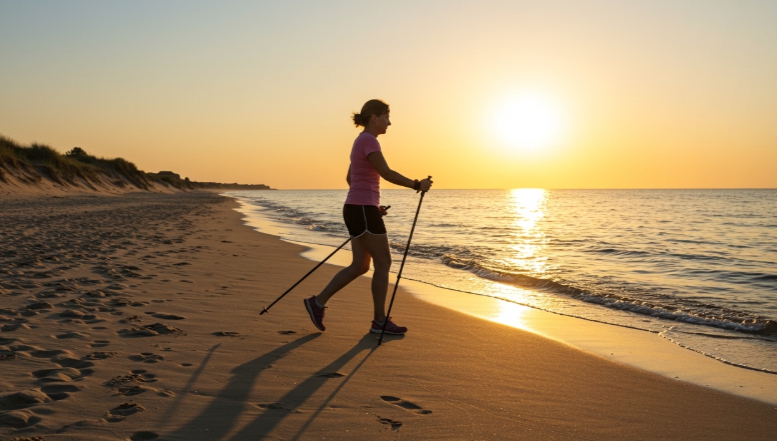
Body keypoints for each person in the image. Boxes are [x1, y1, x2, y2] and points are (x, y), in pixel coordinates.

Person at [304, 99, 433, 335]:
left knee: (360, 265)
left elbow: (350, 179)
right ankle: (379, 321)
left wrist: (372, 204)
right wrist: (417, 184)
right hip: (361, 209)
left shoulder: (360, 141)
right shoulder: (368, 140)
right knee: (383, 263)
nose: (389, 123)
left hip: (359, 208)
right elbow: (386, 173)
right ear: (374, 117)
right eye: (386, 117)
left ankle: (317, 302)